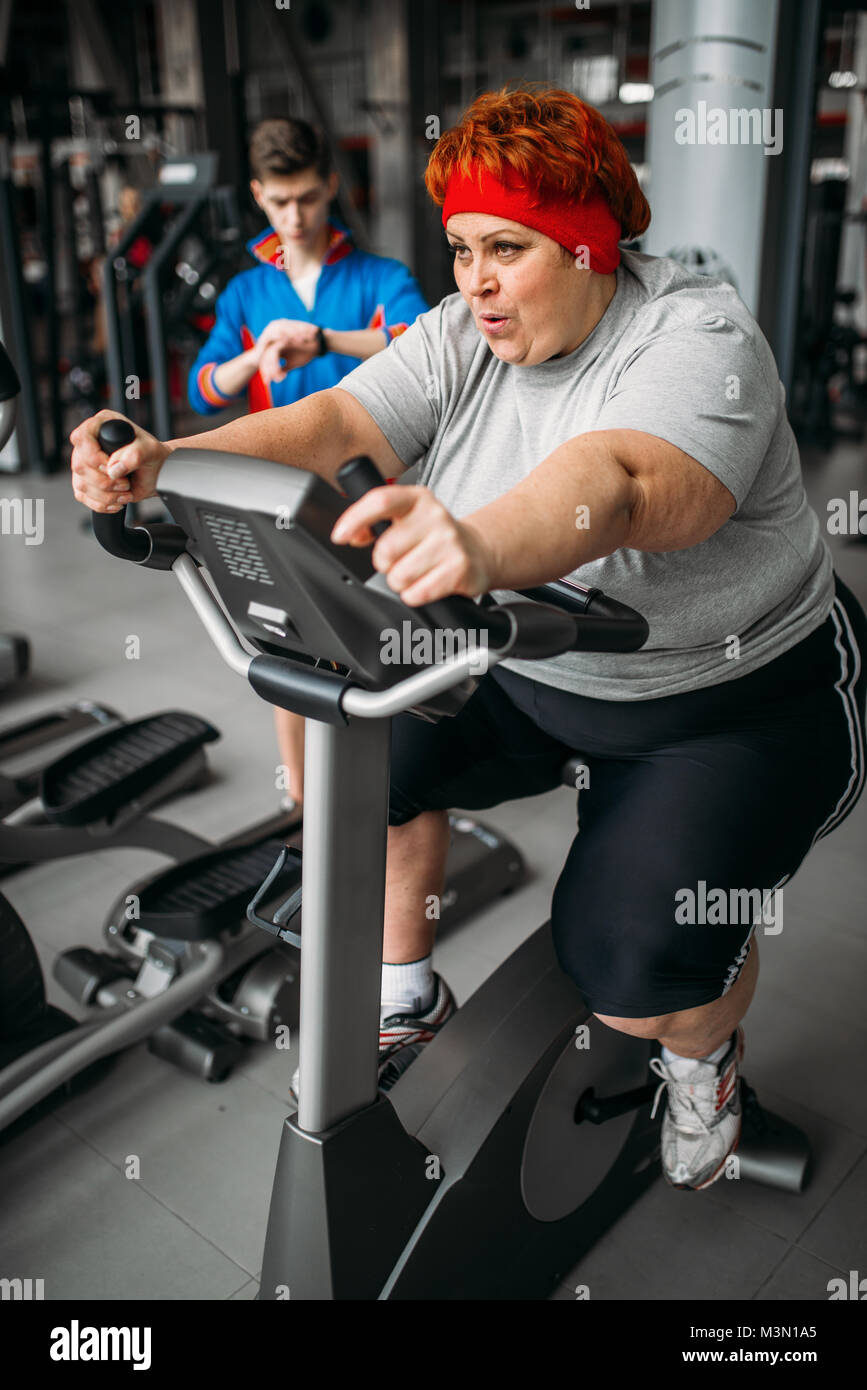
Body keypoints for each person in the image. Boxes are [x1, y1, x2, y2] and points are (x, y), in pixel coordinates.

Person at [70, 85, 867, 1192]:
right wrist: (170, 459)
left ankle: (706, 1059)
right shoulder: (464, 335)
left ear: (590, 246)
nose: (476, 280)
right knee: (365, 760)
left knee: (631, 959)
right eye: (460, 249)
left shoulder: (699, 337)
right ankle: (408, 995)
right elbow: (341, 422)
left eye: (506, 248)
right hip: (535, 657)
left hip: (730, 701)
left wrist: (478, 540)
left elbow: (627, 482)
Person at [187, 118, 429, 816]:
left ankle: (380, 789)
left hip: (358, 502)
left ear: (329, 187)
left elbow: (416, 344)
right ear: (259, 196)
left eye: (307, 199)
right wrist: (251, 356)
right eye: (278, 202)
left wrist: (322, 338)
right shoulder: (243, 295)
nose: (294, 218)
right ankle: (301, 795)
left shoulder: (379, 276)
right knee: (284, 646)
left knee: (361, 650)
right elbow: (203, 387)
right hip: (271, 501)